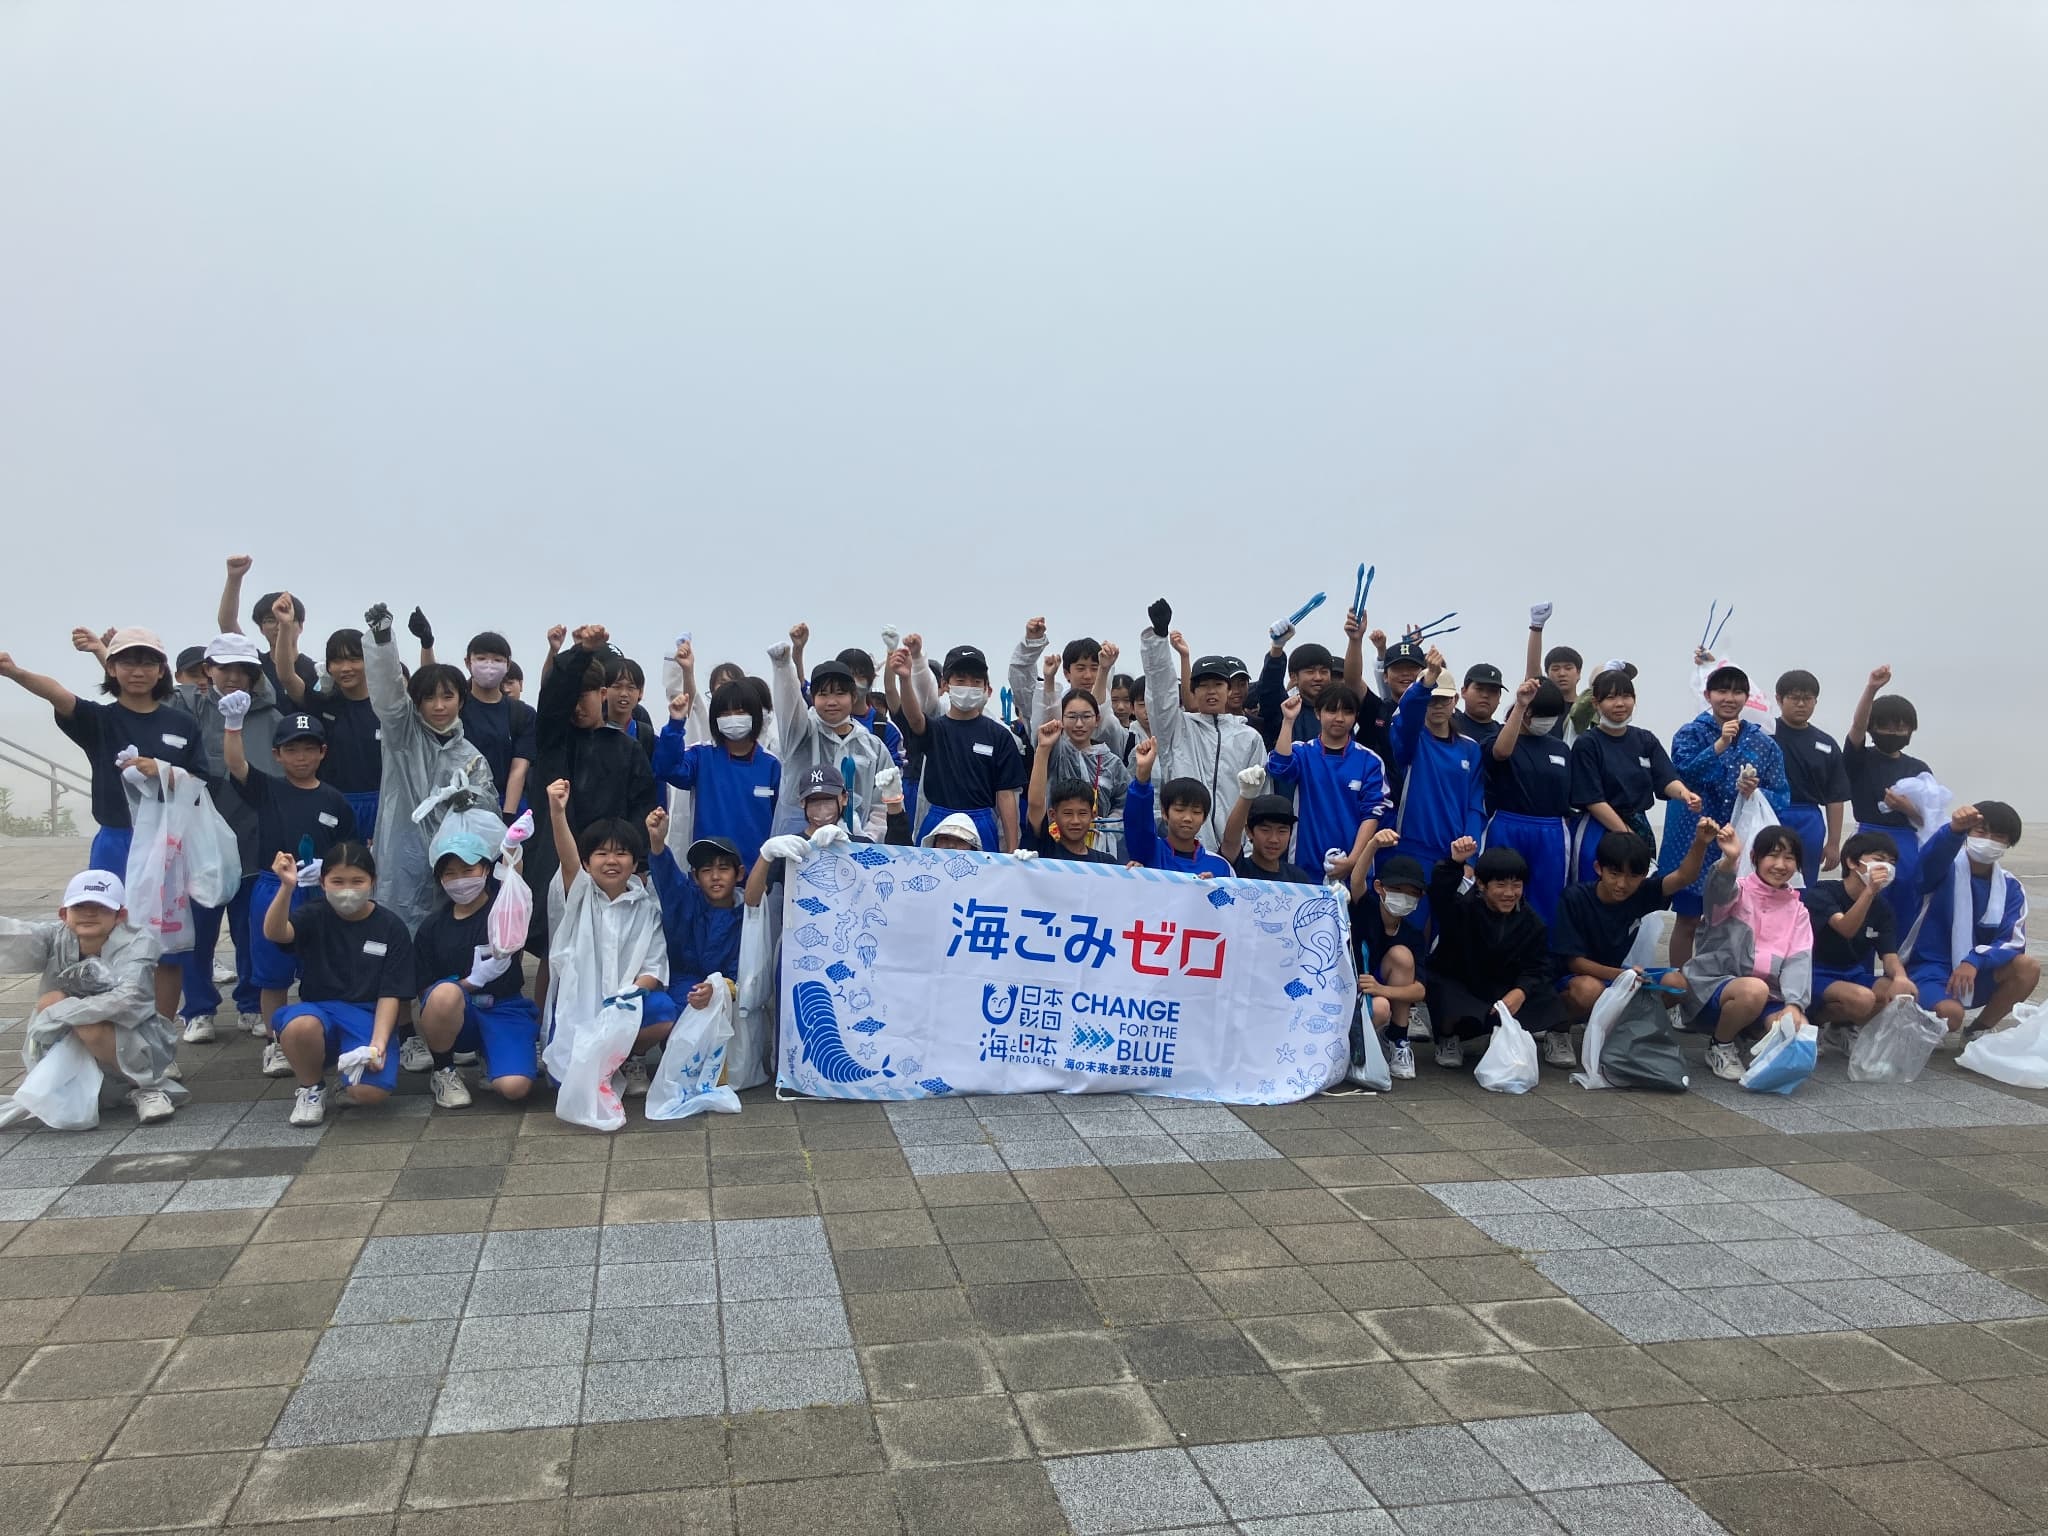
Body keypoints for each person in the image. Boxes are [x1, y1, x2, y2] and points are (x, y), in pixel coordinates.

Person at [0, 628, 200, 1022]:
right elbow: (59, 694)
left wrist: (163, 771)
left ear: (161, 670)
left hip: (167, 846)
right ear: (112, 668)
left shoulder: (182, 723)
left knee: (167, 947)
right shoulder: (100, 720)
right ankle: (109, 1023)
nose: (138, 671)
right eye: (128, 662)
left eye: (147, 662)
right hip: (116, 841)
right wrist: (15, 672)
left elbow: (203, 780)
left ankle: (160, 1035)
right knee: (103, 934)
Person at [524, 623, 659, 981]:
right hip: (556, 862)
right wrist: (581, 651)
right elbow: (553, 694)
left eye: (582, 697)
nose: (575, 707)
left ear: (602, 694)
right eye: (569, 698)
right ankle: (546, 1018)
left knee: (606, 955)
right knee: (554, 954)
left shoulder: (628, 748)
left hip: (608, 865)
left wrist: (637, 863)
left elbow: (641, 808)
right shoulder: (553, 739)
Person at [220, 707, 356, 1048]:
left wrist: (330, 872)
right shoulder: (267, 788)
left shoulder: (335, 800)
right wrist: (233, 726)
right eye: (292, 749)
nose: (301, 757)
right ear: (277, 755)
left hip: (320, 892)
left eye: (309, 749)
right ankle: (275, 1043)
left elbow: (350, 850)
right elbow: (236, 765)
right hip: (274, 889)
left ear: (322, 752)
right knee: (272, 973)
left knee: (323, 968)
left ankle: (323, 1036)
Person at [0, 871, 180, 1124]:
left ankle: (149, 1088)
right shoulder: (55, 936)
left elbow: (128, 999)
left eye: (101, 907)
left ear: (121, 915)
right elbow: (14, 935)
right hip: (69, 1029)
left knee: (87, 1025)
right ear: (64, 914)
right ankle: (73, 1083)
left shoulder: (139, 941)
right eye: (79, 906)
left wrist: (56, 1014)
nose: (89, 913)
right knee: (52, 1001)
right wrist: (55, 1010)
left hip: (137, 1038)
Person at [362, 603, 498, 932]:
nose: (439, 706)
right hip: (402, 856)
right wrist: (383, 642)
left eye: (447, 697)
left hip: (452, 864)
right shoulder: (402, 736)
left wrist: (471, 799)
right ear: (417, 702)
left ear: (461, 701)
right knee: (396, 928)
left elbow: (489, 808)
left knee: (445, 933)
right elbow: (388, 696)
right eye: (429, 698)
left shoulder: (472, 757)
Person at [263, 841, 415, 1126]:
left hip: (367, 1016)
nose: (347, 890)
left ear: (373, 881)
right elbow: (276, 933)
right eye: (338, 881)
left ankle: (346, 1082)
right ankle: (311, 1087)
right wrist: (286, 887)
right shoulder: (314, 914)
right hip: (318, 1012)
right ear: (323, 883)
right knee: (300, 1027)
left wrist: (378, 1044)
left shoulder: (391, 926)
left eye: (357, 881)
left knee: (370, 1093)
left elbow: (391, 992)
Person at [543, 778, 670, 1099]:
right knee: (565, 1083)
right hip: (579, 1003)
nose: (612, 861)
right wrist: (557, 813)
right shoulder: (581, 894)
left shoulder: (645, 907)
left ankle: (631, 1058)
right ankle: (602, 1061)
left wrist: (629, 997)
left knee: (664, 1012)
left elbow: (654, 966)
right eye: (601, 853)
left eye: (621, 854)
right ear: (587, 863)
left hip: (625, 1004)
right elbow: (567, 858)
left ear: (634, 863)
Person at [1659, 662, 1791, 967]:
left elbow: (1781, 795)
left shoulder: (1764, 742)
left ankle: (1720, 983)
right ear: (1708, 695)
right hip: (1692, 839)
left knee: (1731, 922)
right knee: (1688, 920)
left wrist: (1753, 791)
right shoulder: (1689, 733)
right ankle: (1679, 986)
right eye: (1721, 691)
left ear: (1747, 698)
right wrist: (1719, 745)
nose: (1729, 698)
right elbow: (1683, 775)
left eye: (1737, 692)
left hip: (1737, 842)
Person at [185, 631, 283, 1041]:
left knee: (250, 930)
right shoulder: (188, 709)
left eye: (243, 669)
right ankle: (198, 1009)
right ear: (207, 670)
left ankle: (250, 1003)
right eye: (224, 668)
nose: (233, 677)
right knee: (198, 931)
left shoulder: (271, 717)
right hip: (200, 842)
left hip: (252, 839)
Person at [410, 828, 537, 1108]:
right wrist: (469, 983)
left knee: (515, 1087)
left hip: (504, 1007)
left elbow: (513, 876)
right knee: (444, 994)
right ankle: (443, 1070)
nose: (460, 880)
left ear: (485, 870)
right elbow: (425, 992)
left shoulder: (502, 911)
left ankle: (491, 1056)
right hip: (460, 1012)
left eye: (468, 870)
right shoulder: (432, 927)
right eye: (450, 874)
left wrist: (511, 845)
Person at [1679, 821, 1814, 1082]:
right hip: (1715, 988)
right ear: (1755, 858)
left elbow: (1799, 960)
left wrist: (1794, 1005)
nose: (1780, 865)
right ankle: (1720, 1045)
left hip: (1767, 996)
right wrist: (1730, 860)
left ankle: (1744, 1033)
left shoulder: (1798, 910)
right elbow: (1716, 894)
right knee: (1753, 990)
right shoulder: (1738, 891)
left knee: (1797, 1032)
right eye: (1773, 855)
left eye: (1789, 858)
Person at [1551, 823, 1713, 1028]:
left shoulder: (1641, 893)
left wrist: (1701, 842)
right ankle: (1558, 1029)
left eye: (1632, 876)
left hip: (1618, 975)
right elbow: (1575, 963)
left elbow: (1683, 877)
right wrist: (1623, 976)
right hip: (1576, 978)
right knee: (1588, 991)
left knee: (1677, 983)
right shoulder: (1575, 898)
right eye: (1614, 874)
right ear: (1598, 868)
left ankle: (1627, 1029)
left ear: (1644, 875)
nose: (1622, 884)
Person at [1905, 802, 2038, 1046]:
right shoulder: (1943, 870)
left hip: (1976, 971)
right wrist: (1953, 830)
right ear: (1968, 833)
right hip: (1931, 968)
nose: (1988, 841)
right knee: (1950, 1016)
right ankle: (1913, 1009)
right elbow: (1927, 864)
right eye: (1981, 832)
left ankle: (1978, 1030)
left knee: (2027, 967)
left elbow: (2012, 941)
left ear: (2009, 843)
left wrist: (1974, 960)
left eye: (1998, 836)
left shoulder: (2010, 887)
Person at [1425, 838, 1561, 1069]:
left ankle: (1543, 1037)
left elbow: (1537, 967)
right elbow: (1440, 894)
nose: (1509, 893)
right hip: (1464, 986)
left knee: (1552, 999)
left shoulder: (1532, 922)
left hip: (1504, 991)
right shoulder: (1461, 909)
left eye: (1516, 885)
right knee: (1443, 990)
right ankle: (1448, 1038)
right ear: (1481, 884)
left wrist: (1520, 991)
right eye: (1500, 885)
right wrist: (1454, 863)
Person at [1138, 599, 1264, 850]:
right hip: (1186, 847)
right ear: (1193, 692)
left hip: (1238, 851)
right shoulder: (1177, 728)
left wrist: (1251, 848)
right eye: (1203, 686)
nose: (1211, 691)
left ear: (1229, 690)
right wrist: (1159, 639)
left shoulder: (1250, 737)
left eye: (1218, 685)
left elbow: (1260, 794)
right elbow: (1161, 694)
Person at [1568, 664, 1700, 879]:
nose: (1620, 703)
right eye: (1611, 698)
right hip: (1599, 829)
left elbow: (1666, 778)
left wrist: (1684, 794)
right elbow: (1593, 800)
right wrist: (1627, 836)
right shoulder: (1588, 744)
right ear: (1596, 703)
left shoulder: (1645, 739)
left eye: (1626, 696)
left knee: (1640, 892)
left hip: (1639, 828)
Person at [1385, 649, 1487, 925]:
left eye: (1443, 699)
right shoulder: (1410, 740)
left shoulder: (1470, 749)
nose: (1437, 705)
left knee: (1449, 933)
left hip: (1454, 856)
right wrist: (1427, 681)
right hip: (1412, 848)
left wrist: (1469, 859)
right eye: (1431, 699)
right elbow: (1406, 714)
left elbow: (1475, 806)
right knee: (1409, 928)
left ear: (1455, 700)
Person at [894, 639, 1025, 852]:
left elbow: (1006, 795)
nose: (968, 687)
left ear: (985, 688)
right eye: (961, 680)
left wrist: (1012, 849)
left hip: (980, 821)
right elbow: (915, 719)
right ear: (945, 684)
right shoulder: (935, 729)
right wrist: (905, 679)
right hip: (938, 820)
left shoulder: (1000, 736)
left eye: (976, 682)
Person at [773, 627, 893, 839]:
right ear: (813, 698)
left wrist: (867, 839)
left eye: (840, 693)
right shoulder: (800, 733)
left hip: (852, 849)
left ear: (854, 697)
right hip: (798, 846)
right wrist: (783, 666)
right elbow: (788, 707)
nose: (831, 702)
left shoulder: (873, 747)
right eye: (823, 694)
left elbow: (882, 802)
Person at [652, 678, 782, 872]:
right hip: (709, 875)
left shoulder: (771, 765)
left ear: (755, 715)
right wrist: (675, 724)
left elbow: (781, 822)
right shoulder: (701, 756)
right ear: (715, 719)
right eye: (725, 714)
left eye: (740, 712)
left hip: (757, 876)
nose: (733, 719)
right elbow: (666, 769)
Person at [1265, 685, 1388, 883]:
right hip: (1305, 867)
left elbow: (1372, 814)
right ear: (1317, 713)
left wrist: (1353, 861)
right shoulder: (1302, 752)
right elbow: (1279, 767)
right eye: (1331, 710)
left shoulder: (1370, 761)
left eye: (1347, 712)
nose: (1339, 718)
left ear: (1356, 716)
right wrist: (1288, 721)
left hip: (1354, 870)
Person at [1845, 665, 1934, 931]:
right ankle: (1861, 954)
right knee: (1864, 900)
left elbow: (1931, 818)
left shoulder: (1918, 768)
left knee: (1906, 903)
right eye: (1885, 726)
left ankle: (1899, 954)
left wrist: (1907, 809)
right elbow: (1857, 726)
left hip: (1907, 842)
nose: (1894, 732)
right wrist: (1871, 688)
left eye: (1901, 727)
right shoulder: (1860, 759)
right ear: (1873, 728)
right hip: (1868, 837)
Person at [276, 617, 384, 835]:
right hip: (333, 804)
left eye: (354, 659)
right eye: (336, 661)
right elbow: (286, 677)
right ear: (328, 667)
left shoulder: (387, 709)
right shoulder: (323, 705)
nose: (345, 668)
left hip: (382, 805)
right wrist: (285, 627)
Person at [1484, 677, 1575, 926]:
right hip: (1508, 824)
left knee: (1548, 900)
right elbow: (1501, 753)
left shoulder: (1561, 749)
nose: (1546, 720)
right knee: (1501, 895)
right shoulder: (1500, 740)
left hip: (1552, 830)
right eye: (1541, 714)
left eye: (1552, 715)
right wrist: (1521, 704)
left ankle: (1544, 949)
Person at [1803, 830, 1909, 1040]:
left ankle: (1841, 1029)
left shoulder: (1882, 908)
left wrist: (1901, 978)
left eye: (1891, 863)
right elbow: (1845, 928)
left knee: (1899, 996)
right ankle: (1816, 1024)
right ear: (1852, 862)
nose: (1886, 867)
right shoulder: (1823, 892)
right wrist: (1869, 892)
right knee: (1863, 999)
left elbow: (1889, 955)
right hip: (1815, 972)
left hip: (1853, 973)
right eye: (1879, 859)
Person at [645, 810, 745, 1025]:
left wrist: (718, 988)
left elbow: (744, 973)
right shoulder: (684, 901)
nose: (715, 877)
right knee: (665, 1009)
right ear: (695, 877)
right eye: (706, 870)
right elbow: (667, 877)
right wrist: (657, 843)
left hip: (728, 1000)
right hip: (680, 990)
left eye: (723, 868)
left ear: (739, 874)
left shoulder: (748, 916)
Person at [1348, 841, 1427, 1080]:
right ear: (1379, 888)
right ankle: (1350, 1050)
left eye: (1412, 893)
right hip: (1347, 989)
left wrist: (1381, 989)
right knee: (1380, 1008)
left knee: (1401, 959)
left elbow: (1420, 990)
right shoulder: (1366, 909)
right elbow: (1356, 881)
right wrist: (1372, 845)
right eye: (1397, 889)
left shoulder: (1413, 935)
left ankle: (1398, 1041)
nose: (1404, 897)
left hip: (1376, 993)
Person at [1773, 669, 1851, 887]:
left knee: (1804, 882)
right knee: (1767, 877)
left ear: (1815, 701)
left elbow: (1835, 797)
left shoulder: (1826, 744)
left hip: (1809, 818)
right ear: (1779, 699)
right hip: (1771, 812)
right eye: (1794, 698)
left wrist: (1833, 843)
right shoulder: (1764, 734)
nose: (1801, 704)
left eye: (1807, 699)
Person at [452, 630, 537, 818]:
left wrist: (508, 816)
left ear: (507, 665)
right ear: (468, 662)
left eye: (497, 660)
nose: (489, 665)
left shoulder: (523, 714)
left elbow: (519, 769)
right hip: (459, 806)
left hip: (507, 804)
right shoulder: (456, 708)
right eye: (481, 658)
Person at [216, 555, 320, 699]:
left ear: (301, 626)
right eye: (270, 620)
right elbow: (227, 624)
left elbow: (288, 677)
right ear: (261, 628)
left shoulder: (315, 671)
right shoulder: (255, 663)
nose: (279, 625)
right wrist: (234, 578)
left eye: (287, 619)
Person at [1123, 739, 1231, 877]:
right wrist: (1142, 778)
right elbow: (1138, 822)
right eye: (1179, 809)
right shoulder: (1149, 852)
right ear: (1164, 812)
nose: (1188, 818)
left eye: (1196, 812)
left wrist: (1213, 887)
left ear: (1204, 818)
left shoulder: (1219, 866)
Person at [1025, 715, 1126, 861]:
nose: (1075, 821)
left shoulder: (1106, 861)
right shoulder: (1044, 848)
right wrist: (1043, 748)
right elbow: (1036, 804)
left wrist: (1135, 871)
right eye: (1067, 813)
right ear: (1053, 815)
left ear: (1093, 815)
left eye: (1082, 813)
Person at [1222, 794, 1319, 883]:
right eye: (1265, 830)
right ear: (1249, 831)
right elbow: (1229, 841)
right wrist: (1246, 795)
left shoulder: (1298, 878)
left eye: (1282, 831)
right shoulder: (1237, 868)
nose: (1274, 839)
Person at [1524, 604, 1581, 740]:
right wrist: (1536, 627)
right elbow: (1533, 671)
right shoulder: (1541, 702)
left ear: (1578, 673)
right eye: (1555, 669)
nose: (1562, 673)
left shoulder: (1588, 708)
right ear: (1547, 674)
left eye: (1568, 668)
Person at [1454, 663, 1506, 746]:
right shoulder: (1448, 723)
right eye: (1479, 689)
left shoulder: (1505, 734)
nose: (1485, 695)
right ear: (1463, 691)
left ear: (1500, 697)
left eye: (1493, 691)